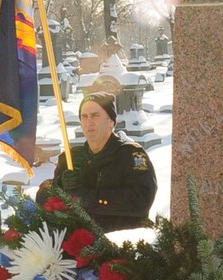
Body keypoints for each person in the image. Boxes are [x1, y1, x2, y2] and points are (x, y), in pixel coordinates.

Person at [45, 90, 158, 231]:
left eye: (95, 115)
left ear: (111, 122)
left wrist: (88, 198)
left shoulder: (130, 155)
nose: (89, 122)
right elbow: (45, 199)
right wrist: (60, 184)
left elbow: (140, 201)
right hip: (75, 241)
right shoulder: (70, 157)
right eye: (84, 117)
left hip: (120, 242)